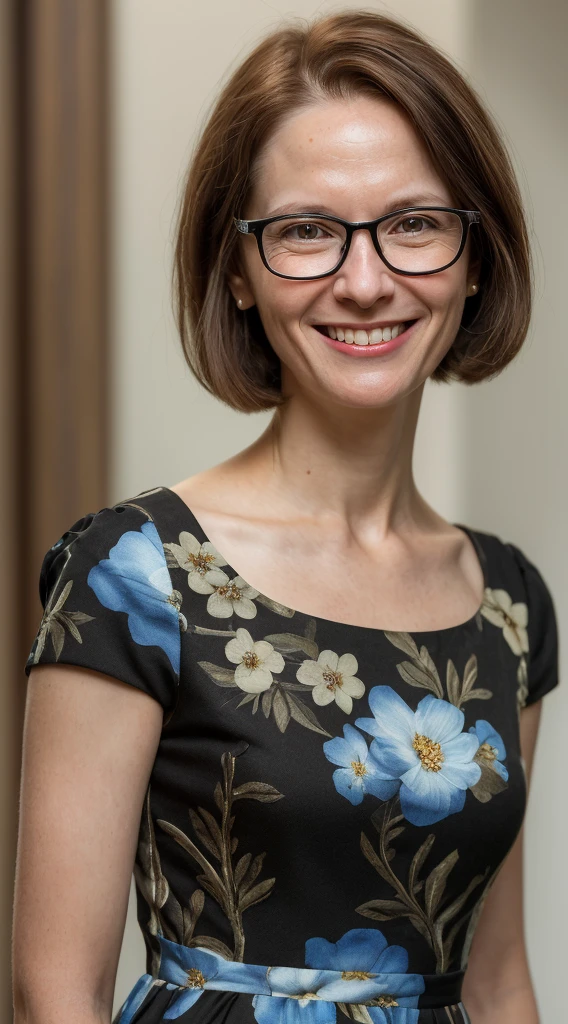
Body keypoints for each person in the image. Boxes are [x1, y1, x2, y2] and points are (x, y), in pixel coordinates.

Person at [13, 11, 560, 1024]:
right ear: (238, 270)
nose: (364, 280)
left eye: (414, 222)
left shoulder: (510, 605)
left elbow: (496, 981)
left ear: (473, 254)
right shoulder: (132, 572)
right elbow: (54, 992)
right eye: (306, 229)